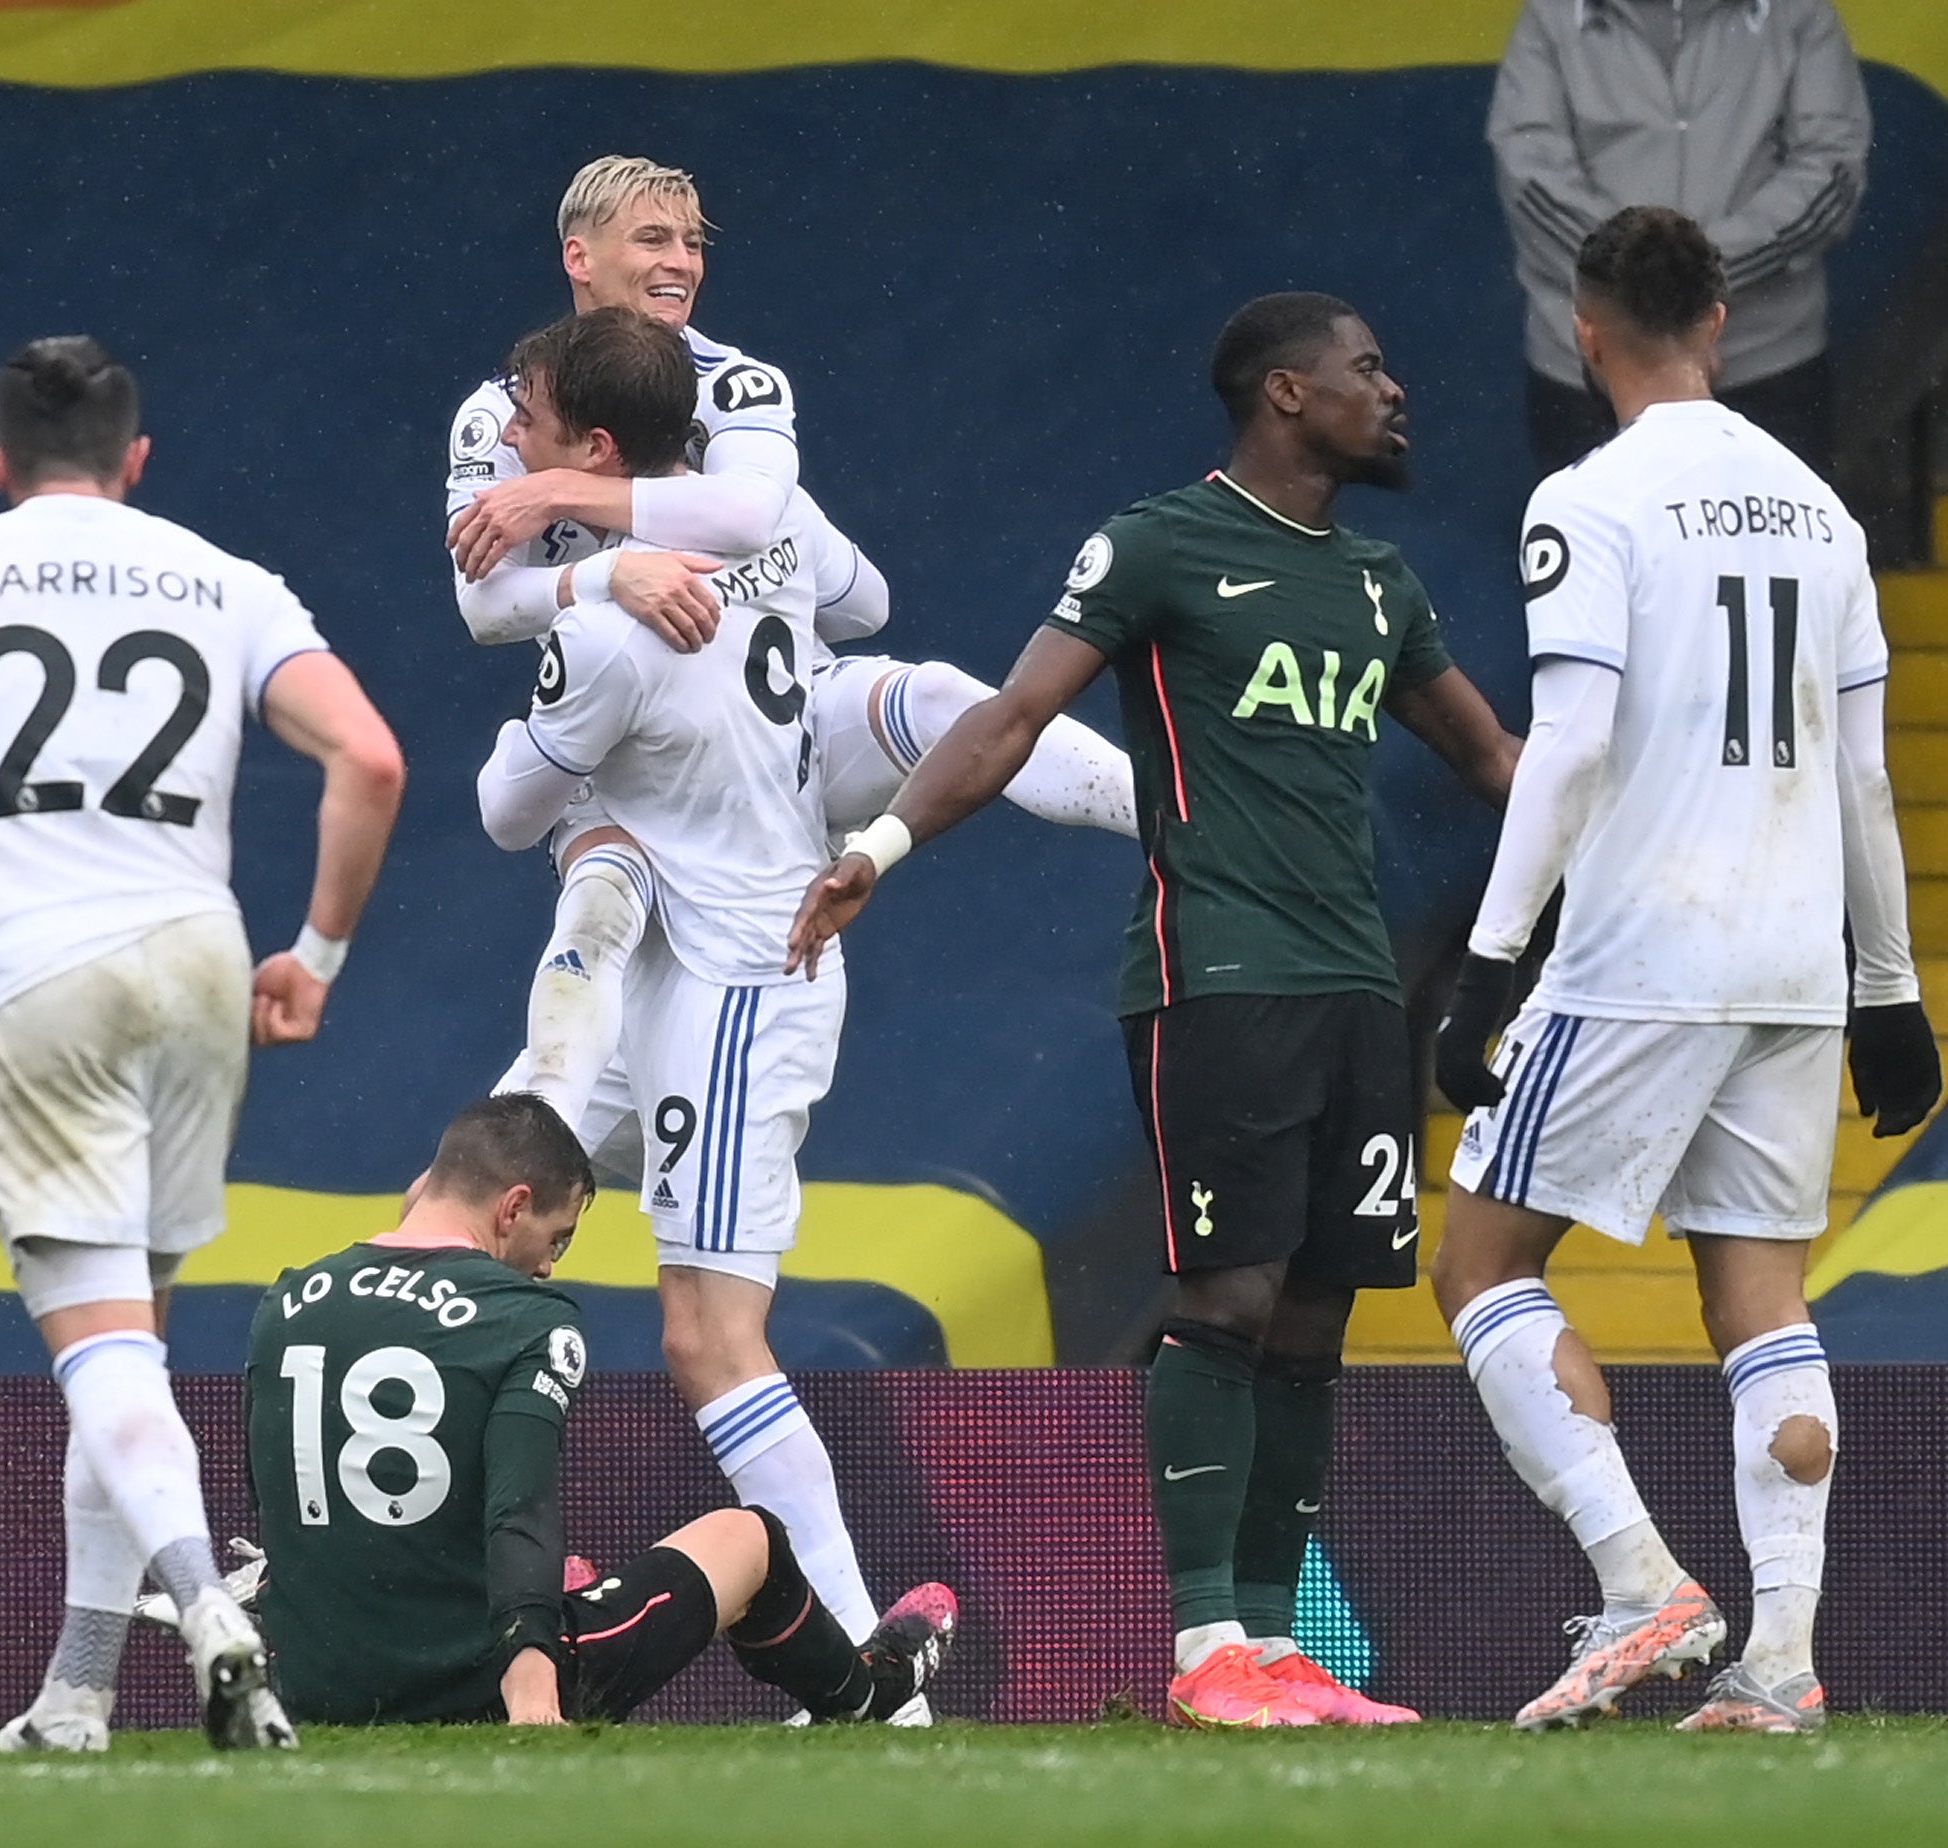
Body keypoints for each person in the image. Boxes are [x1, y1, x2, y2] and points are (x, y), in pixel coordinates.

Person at [788, 294, 1525, 1730]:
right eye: (1365, 369)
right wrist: (874, 853)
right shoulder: (1156, 545)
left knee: (1317, 1311)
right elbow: (1004, 718)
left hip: (1354, 990)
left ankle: (1276, 1649)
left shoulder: (1378, 582)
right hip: (1214, 978)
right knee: (1229, 1298)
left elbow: (1496, 758)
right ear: (1282, 392)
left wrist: (1641, 840)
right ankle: (1202, 1649)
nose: (1393, 391)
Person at [0, 335, 406, 1753]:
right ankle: (74, 1696)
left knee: (99, 1345)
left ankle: (206, 1605)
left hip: (34, 979)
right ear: (137, 462)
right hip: (195, 962)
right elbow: (368, 759)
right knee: (127, 1343)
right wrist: (311, 955)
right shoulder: (225, 580)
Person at [1429, 208, 1941, 1735]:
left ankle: (1641, 1575)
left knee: (1474, 1262)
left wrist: (1483, 960)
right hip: (1792, 960)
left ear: (1583, 330)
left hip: (1641, 950)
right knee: (1759, 1301)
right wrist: (1890, 988)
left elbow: (1572, 739)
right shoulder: (1822, 514)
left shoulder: (1587, 502)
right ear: (1720, 318)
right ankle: (1778, 1663)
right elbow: (1859, 780)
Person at [442, 154, 1133, 1114]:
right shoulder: (505, 414)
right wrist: (609, 571)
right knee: (600, 912)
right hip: (631, 749)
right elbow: (482, 606)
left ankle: (1184, 820)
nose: (681, 259)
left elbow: (785, 547)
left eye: (691, 241)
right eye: (653, 238)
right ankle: (533, 1124)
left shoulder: (735, 383)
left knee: (935, 696)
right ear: (579, 255)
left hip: (786, 722)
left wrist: (562, 494)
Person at [472, 307, 897, 1667]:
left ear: (590, 444)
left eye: (526, 420)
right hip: (653, 972)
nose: (504, 440)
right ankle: (425, 1566)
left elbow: (499, 806)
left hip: (730, 980)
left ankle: (863, 1680)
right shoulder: (744, 527)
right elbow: (861, 596)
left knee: (710, 1335)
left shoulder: (610, 628)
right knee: (476, 1218)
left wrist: (593, 591)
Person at [243, 1092, 956, 1727]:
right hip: (476, 1683)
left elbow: (277, 1499)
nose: (550, 1264)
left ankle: (554, 1603)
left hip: (313, 1688)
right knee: (754, 1539)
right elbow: (518, 1511)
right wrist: (529, 1685)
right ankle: (871, 1691)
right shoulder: (525, 1316)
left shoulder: (287, 1300)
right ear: (512, 1205)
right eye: (555, 1237)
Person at [1488, 0, 1869, 476]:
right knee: (1599, 547)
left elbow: (1831, 171)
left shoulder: (1799, 12)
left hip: (1760, 360)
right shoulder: (1553, 14)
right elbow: (1529, 176)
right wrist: (1657, 281)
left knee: (1771, 551)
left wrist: (1683, 277)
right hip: (1594, 373)